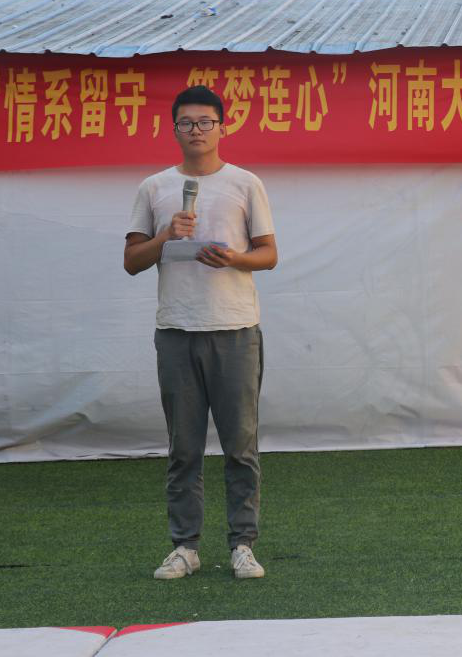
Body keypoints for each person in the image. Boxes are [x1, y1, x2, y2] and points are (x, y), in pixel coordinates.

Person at [124, 85, 277, 580]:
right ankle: (185, 546)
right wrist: (167, 235)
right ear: (174, 129)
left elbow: (268, 254)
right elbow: (132, 261)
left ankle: (243, 545)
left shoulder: (245, 183)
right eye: (187, 123)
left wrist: (233, 258)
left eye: (205, 122)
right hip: (176, 330)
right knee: (184, 448)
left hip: (235, 329)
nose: (197, 130)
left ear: (222, 127)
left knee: (240, 447)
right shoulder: (154, 188)